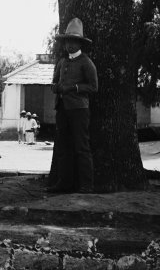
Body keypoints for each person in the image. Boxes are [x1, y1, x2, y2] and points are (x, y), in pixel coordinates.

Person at [48, 18, 98, 194]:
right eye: (67, 41)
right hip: (62, 108)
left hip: (79, 110)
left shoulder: (86, 62)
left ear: (80, 43)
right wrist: (56, 87)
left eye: (73, 41)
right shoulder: (62, 62)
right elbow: (55, 81)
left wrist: (73, 88)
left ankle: (86, 185)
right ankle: (64, 182)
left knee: (81, 147)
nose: (69, 45)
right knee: (63, 146)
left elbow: (93, 87)